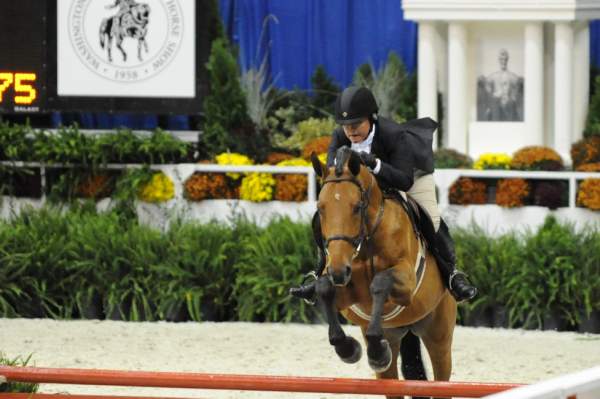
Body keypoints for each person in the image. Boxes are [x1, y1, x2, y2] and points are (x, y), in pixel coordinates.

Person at [290, 86, 477, 303]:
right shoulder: (340, 136)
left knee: (429, 216)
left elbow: (404, 180)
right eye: (345, 126)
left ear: (371, 118)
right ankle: (318, 272)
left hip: (409, 176)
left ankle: (452, 275)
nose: (350, 131)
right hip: (365, 186)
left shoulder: (394, 135)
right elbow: (335, 176)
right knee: (324, 217)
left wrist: (375, 164)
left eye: (356, 124)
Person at [477, 49, 524, 121]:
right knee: (495, 105)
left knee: (511, 105)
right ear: (499, 60)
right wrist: (482, 81)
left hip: (509, 106)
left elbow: (519, 83)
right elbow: (485, 84)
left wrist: (514, 95)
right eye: (501, 59)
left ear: (507, 60)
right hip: (496, 105)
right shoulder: (493, 76)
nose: (503, 61)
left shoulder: (512, 76)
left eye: (505, 59)